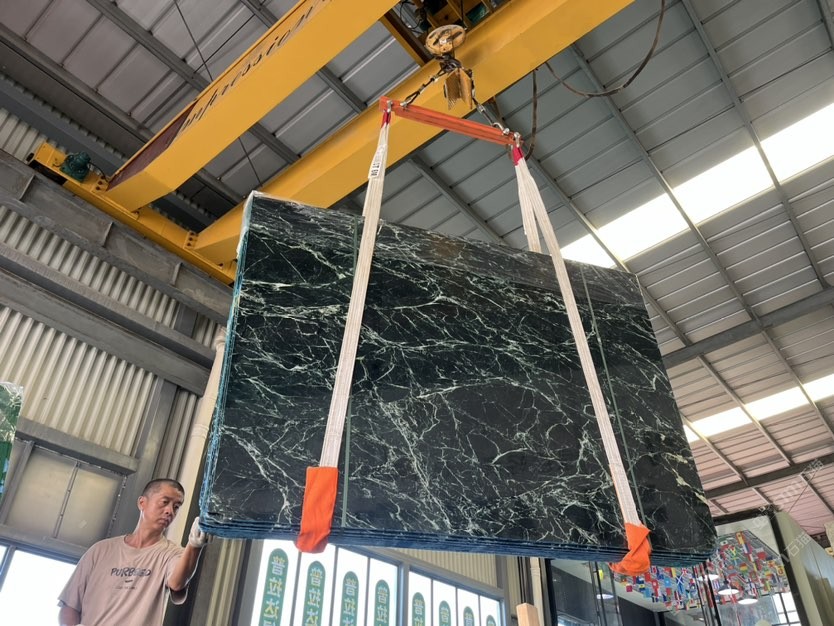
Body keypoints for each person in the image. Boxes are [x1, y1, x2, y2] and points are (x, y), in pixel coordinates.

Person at [57, 478, 210, 626]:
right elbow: (69, 606)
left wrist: (194, 544)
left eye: (176, 506)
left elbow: (176, 583)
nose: (170, 511)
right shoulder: (100, 551)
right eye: (165, 502)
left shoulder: (173, 554)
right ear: (142, 503)